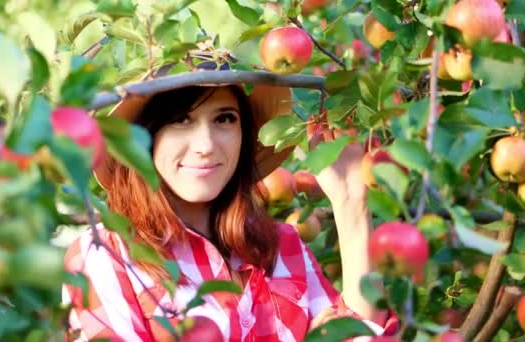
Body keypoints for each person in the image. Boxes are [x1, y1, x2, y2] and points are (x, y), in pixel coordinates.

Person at [62, 53, 397, 341]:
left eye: (224, 118)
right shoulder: (107, 257)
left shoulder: (281, 248)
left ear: (243, 136)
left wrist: (352, 202)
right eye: (181, 120)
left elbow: (358, 333)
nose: (206, 145)